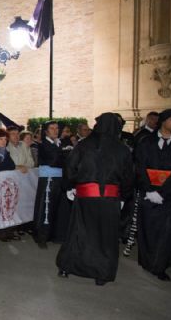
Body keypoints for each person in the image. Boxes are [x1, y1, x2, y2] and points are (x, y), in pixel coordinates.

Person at [56, 113, 134, 286]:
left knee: (78, 232)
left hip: (85, 196)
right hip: (110, 199)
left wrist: (69, 186)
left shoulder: (84, 145)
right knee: (105, 237)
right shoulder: (122, 149)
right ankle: (102, 273)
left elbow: (70, 167)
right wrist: (124, 196)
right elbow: (128, 177)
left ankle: (67, 267)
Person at [134, 108, 171, 281]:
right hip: (148, 193)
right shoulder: (146, 142)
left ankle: (159, 266)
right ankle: (147, 261)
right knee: (148, 229)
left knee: (167, 232)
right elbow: (139, 167)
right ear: (163, 121)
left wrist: (163, 192)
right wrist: (149, 189)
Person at [32, 120, 71, 248]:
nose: (55, 130)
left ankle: (55, 234)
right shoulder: (43, 145)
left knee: (58, 207)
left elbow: (63, 159)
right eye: (52, 128)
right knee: (46, 208)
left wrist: (63, 156)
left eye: (57, 128)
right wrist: (65, 156)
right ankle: (41, 236)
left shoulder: (61, 143)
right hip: (48, 179)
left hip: (60, 179)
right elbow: (54, 160)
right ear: (46, 131)